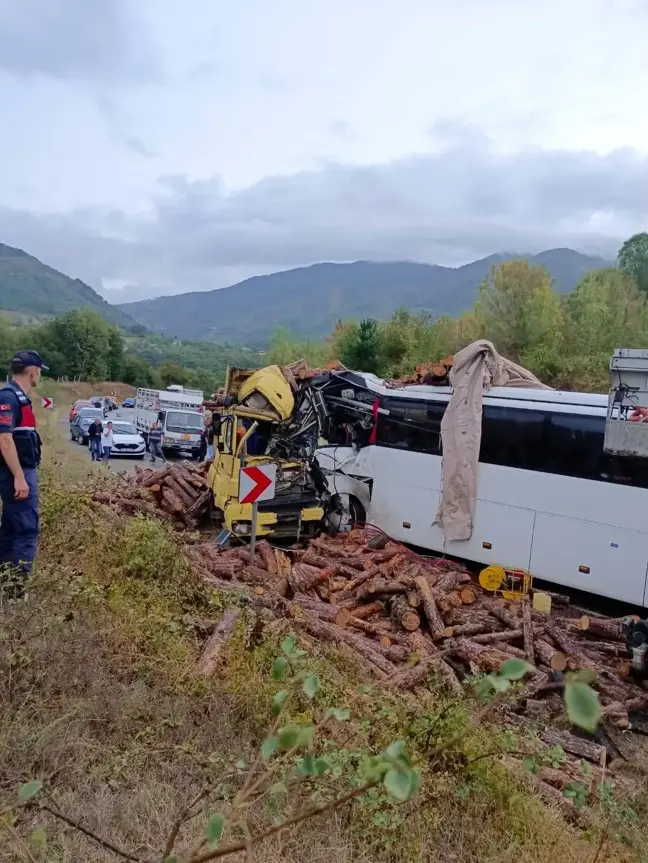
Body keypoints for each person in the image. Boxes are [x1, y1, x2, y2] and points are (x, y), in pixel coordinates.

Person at [0, 350, 47, 596]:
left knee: (10, 527)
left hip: (20, 471)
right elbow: (4, 439)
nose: (39, 375)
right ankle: (15, 592)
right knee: (26, 529)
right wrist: (19, 476)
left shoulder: (19, 397)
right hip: (16, 474)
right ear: (33, 371)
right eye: (39, 371)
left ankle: (6, 583)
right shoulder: (9, 396)